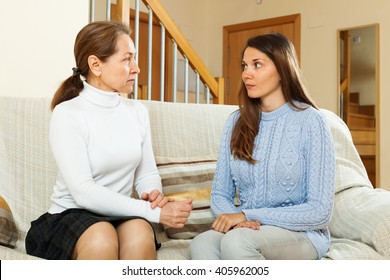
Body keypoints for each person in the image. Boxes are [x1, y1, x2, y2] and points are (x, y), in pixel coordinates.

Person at [25, 21, 192, 260]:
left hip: (120, 212)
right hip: (72, 214)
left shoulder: (137, 111)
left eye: (134, 59)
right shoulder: (68, 114)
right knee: (101, 237)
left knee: (140, 234)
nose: (136, 69)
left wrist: (153, 194)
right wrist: (153, 213)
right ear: (95, 65)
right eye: (127, 59)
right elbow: (83, 192)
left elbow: (146, 173)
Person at [190, 32, 335, 260]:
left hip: (301, 234)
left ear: (282, 69)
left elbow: (319, 212)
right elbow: (220, 193)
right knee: (202, 244)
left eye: (257, 65)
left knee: (237, 243)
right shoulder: (236, 122)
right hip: (248, 229)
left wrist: (248, 215)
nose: (247, 73)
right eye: (244, 65)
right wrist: (240, 219)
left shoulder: (311, 121)